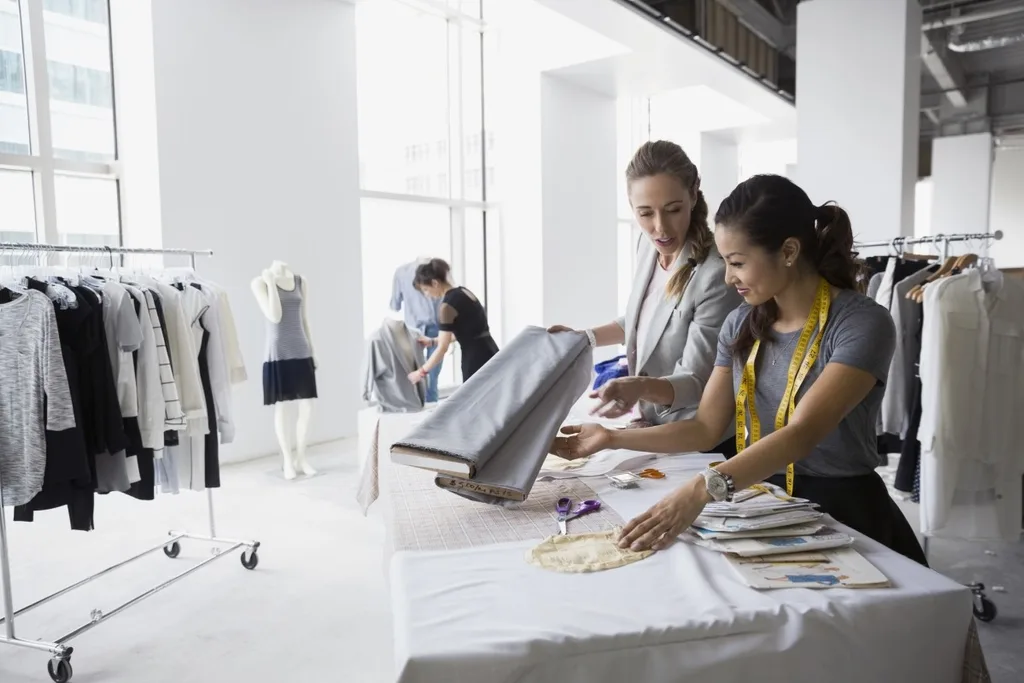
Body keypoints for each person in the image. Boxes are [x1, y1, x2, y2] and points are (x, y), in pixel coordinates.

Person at [551, 174, 927, 565]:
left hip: (844, 509)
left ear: (788, 251)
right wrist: (611, 439)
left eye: (737, 263)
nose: (729, 278)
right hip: (762, 499)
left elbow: (801, 433)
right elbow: (705, 428)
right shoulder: (742, 323)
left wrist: (701, 489)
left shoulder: (861, 323)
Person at [549, 140, 741, 453]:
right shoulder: (646, 248)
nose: (659, 228)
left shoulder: (716, 274)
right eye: (645, 213)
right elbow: (645, 322)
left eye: (673, 210)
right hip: (652, 423)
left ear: (693, 194)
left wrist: (638, 388)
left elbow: (697, 384)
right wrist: (583, 338)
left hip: (697, 439)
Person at [408, 258, 498, 385]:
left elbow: (442, 349)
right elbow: (466, 332)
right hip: (491, 351)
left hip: (474, 359)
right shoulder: (464, 292)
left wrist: (421, 372)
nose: (427, 295)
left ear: (435, 283)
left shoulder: (447, 306)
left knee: (476, 398)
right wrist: (432, 341)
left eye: (425, 289)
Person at [390, 259, 443, 402]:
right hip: (428, 328)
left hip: (418, 328)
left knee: (418, 378)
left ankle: (422, 413)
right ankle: (429, 414)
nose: (426, 294)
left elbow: (395, 304)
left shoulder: (401, 272)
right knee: (429, 380)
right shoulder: (436, 272)